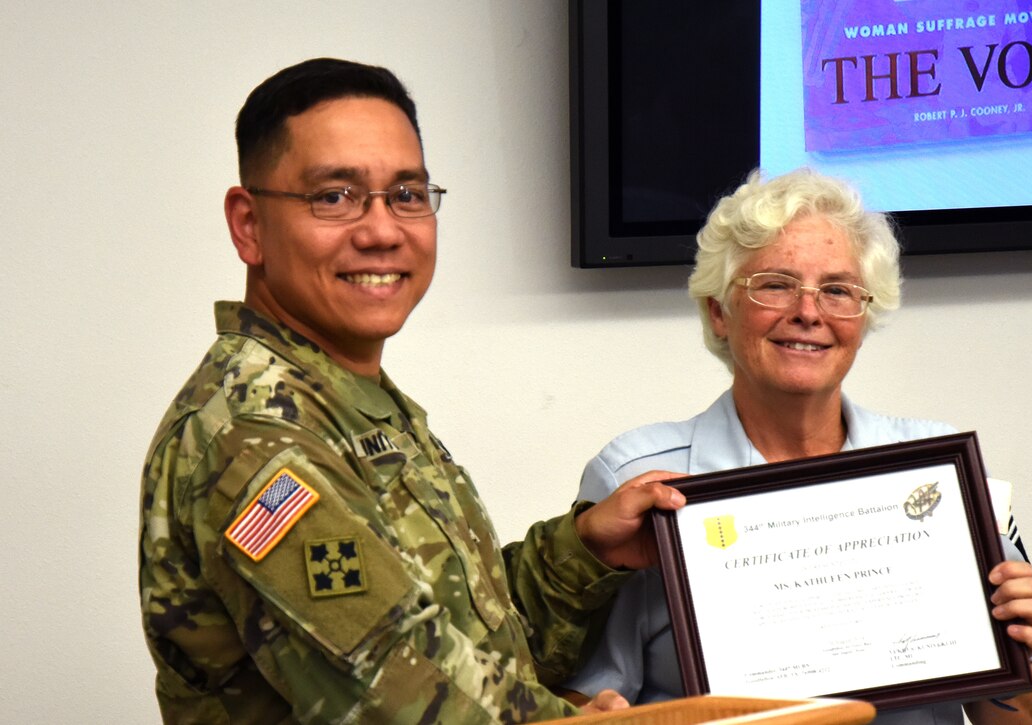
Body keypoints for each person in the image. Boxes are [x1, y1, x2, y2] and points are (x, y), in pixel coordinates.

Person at [138, 57, 686, 724]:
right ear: (248, 224)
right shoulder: (256, 439)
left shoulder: (341, 396)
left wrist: (586, 551)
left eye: (406, 194)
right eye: (333, 196)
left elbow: (465, 641)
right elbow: (400, 690)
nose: (381, 230)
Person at [560, 168, 1032, 724]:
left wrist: (1009, 640)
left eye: (837, 290)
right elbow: (584, 698)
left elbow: (1025, 719)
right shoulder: (638, 479)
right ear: (718, 312)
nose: (809, 312)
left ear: (864, 313)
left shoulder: (941, 473)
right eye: (775, 284)